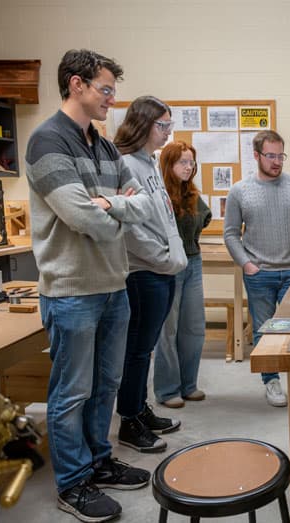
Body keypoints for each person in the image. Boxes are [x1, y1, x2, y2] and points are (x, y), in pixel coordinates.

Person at [26, 49, 152, 522]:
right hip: (72, 290)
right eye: (105, 89)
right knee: (72, 392)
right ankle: (73, 482)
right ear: (76, 84)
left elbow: (142, 204)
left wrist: (108, 204)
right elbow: (82, 217)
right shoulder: (47, 141)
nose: (112, 99)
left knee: (106, 385)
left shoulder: (103, 145)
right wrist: (112, 206)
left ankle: (99, 460)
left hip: (113, 284)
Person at [113, 97, 187, 453]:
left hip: (162, 268)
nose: (168, 132)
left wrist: (169, 258)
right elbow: (129, 225)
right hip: (144, 270)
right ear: (142, 124)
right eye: (162, 125)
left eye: (169, 124)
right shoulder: (127, 164)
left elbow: (161, 216)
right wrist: (160, 257)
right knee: (137, 350)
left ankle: (140, 409)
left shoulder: (150, 162)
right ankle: (129, 420)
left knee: (146, 350)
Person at [224, 130, 290, 407]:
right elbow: (231, 233)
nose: (277, 162)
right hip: (259, 273)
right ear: (256, 155)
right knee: (264, 331)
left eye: (281, 156)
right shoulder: (240, 191)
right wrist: (246, 264)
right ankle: (271, 381)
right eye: (270, 156)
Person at [153, 141, 212, 408]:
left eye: (191, 162)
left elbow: (205, 217)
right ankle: (167, 390)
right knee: (168, 330)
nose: (189, 167)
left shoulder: (192, 194)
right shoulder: (159, 194)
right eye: (183, 162)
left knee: (193, 327)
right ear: (169, 165)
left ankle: (189, 385)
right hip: (168, 266)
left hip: (193, 263)